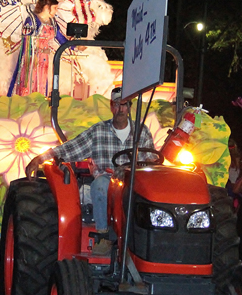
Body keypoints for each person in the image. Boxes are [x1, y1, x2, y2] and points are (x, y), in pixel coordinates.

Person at [24, 87, 155, 255]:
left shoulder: (141, 132)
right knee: (99, 185)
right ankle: (103, 235)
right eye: (116, 104)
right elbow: (70, 148)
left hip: (133, 182)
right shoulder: (98, 131)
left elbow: (150, 162)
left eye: (124, 105)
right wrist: (41, 158)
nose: (120, 109)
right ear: (111, 106)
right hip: (107, 179)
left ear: (129, 107)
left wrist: (134, 169)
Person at [8, 0, 67, 96]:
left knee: (42, 81)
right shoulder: (32, 20)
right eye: (55, 8)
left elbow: (60, 37)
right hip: (31, 60)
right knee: (30, 82)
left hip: (44, 59)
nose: (56, 11)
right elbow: (26, 41)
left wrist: (75, 46)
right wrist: (38, 51)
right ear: (46, 8)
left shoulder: (52, 21)